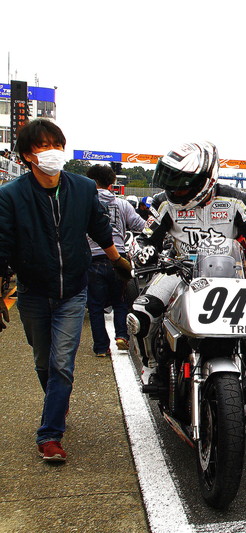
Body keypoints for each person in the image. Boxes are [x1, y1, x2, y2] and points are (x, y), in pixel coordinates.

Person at [0, 119, 132, 462]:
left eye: (57, 144)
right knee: (43, 361)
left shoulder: (83, 189)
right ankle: (57, 402)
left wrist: (118, 261)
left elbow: (99, 228)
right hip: (32, 292)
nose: (53, 152)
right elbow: (2, 245)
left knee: (62, 364)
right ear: (27, 155)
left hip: (74, 291)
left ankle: (50, 435)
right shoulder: (11, 195)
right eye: (43, 146)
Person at [129, 141, 246, 438]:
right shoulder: (163, 202)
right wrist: (143, 250)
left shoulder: (237, 200)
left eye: (182, 182)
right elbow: (146, 236)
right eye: (171, 181)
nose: (175, 189)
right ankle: (152, 365)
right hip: (178, 271)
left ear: (207, 179)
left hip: (227, 274)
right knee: (142, 313)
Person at [86, 164, 146, 357]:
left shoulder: (84, 202)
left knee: (95, 306)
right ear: (111, 183)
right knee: (120, 301)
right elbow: (141, 225)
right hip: (119, 259)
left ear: (91, 181)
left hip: (93, 258)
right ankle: (122, 336)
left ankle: (101, 347)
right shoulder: (123, 204)